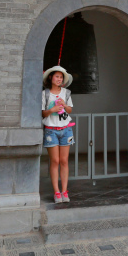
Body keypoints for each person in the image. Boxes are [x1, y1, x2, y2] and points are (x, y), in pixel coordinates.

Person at [42, 65, 75, 204]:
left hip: (66, 129)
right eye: (57, 76)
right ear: (51, 77)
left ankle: (64, 191)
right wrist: (53, 109)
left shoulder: (66, 93)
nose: (59, 79)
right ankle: (56, 192)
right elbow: (43, 112)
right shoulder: (45, 94)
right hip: (51, 130)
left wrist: (64, 106)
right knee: (55, 161)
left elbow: (70, 110)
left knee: (64, 161)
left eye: (61, 77)